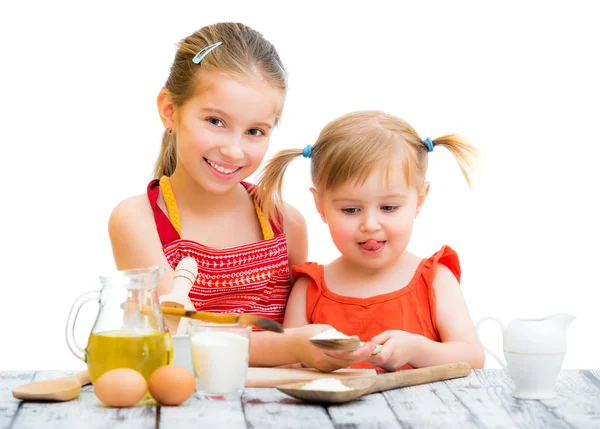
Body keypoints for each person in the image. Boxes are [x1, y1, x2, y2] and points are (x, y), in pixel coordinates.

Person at [108, 22, 375, 371]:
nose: (233, 151)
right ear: (170, 111)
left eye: (254, 131)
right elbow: (175, 333)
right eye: (215, 121)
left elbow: (298, 324)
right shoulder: (138, 220)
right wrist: (292, 346)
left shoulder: (285, 223)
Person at [256, 110, 485, 371]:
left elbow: (473, 358)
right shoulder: (309, 290)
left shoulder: (435, 280)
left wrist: (416, 348)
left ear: (419, 201)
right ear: (320, 206)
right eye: (350, 210)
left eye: (388, 208)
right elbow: (287, 365)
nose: (370, 225)